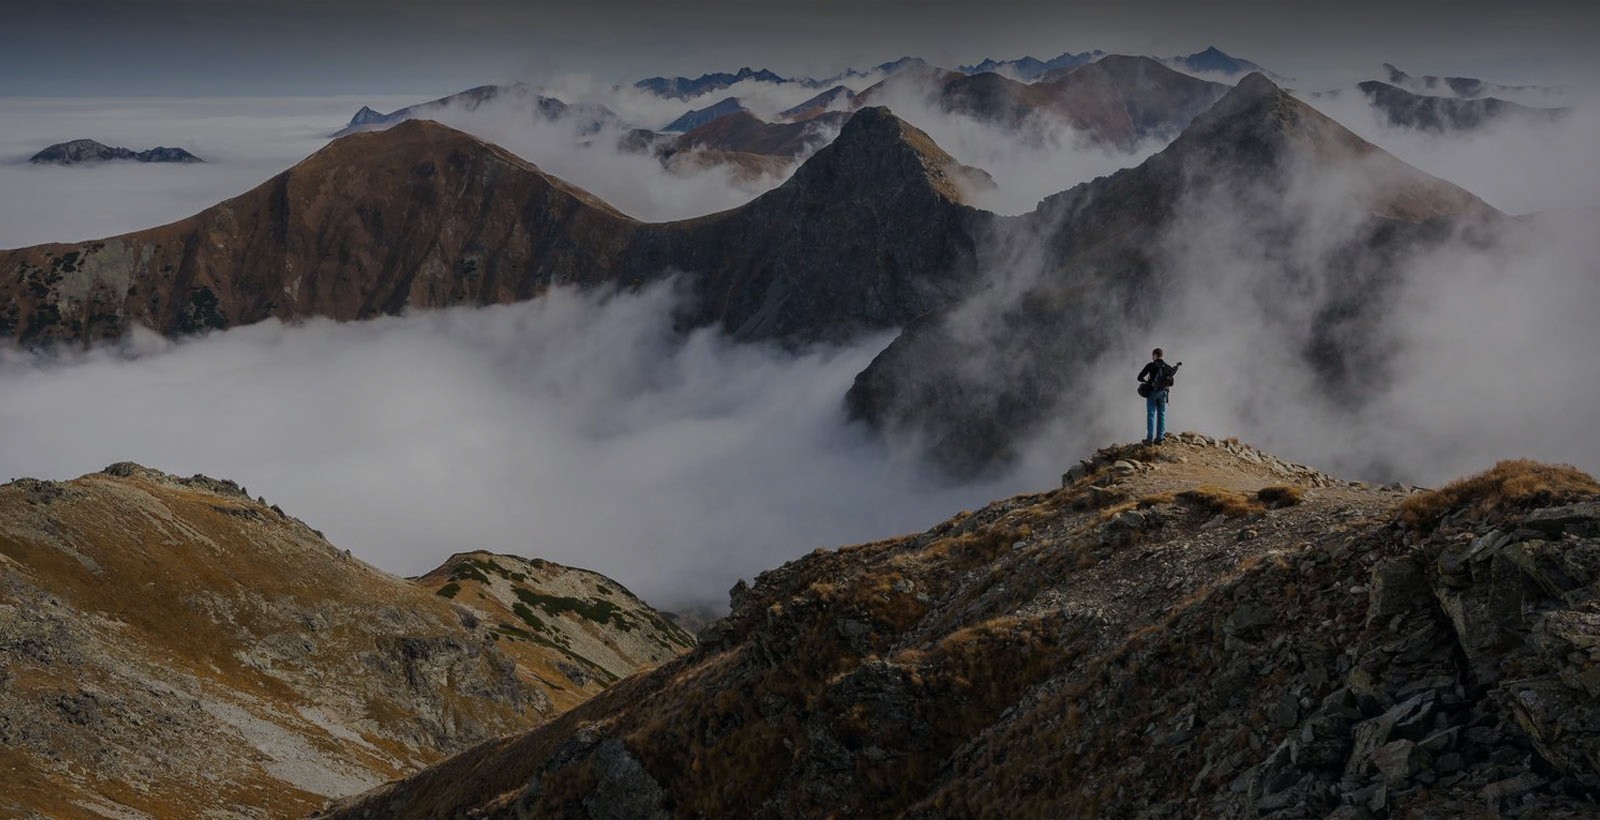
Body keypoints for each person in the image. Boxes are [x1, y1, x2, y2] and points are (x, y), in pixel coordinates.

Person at [1137, 348, 1178, 444]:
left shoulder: (1151, 365)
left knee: (1151, 414)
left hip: (1152, 393)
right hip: (1163, 393)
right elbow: (1171, 383)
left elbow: (1139, 377)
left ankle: (1149, 439)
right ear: (1162, 355)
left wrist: (1147, 382)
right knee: (1161, 415)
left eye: (1153, 356)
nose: (1152, 358)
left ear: (1155, 355)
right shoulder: (1168, 367)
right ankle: (1159, 438)